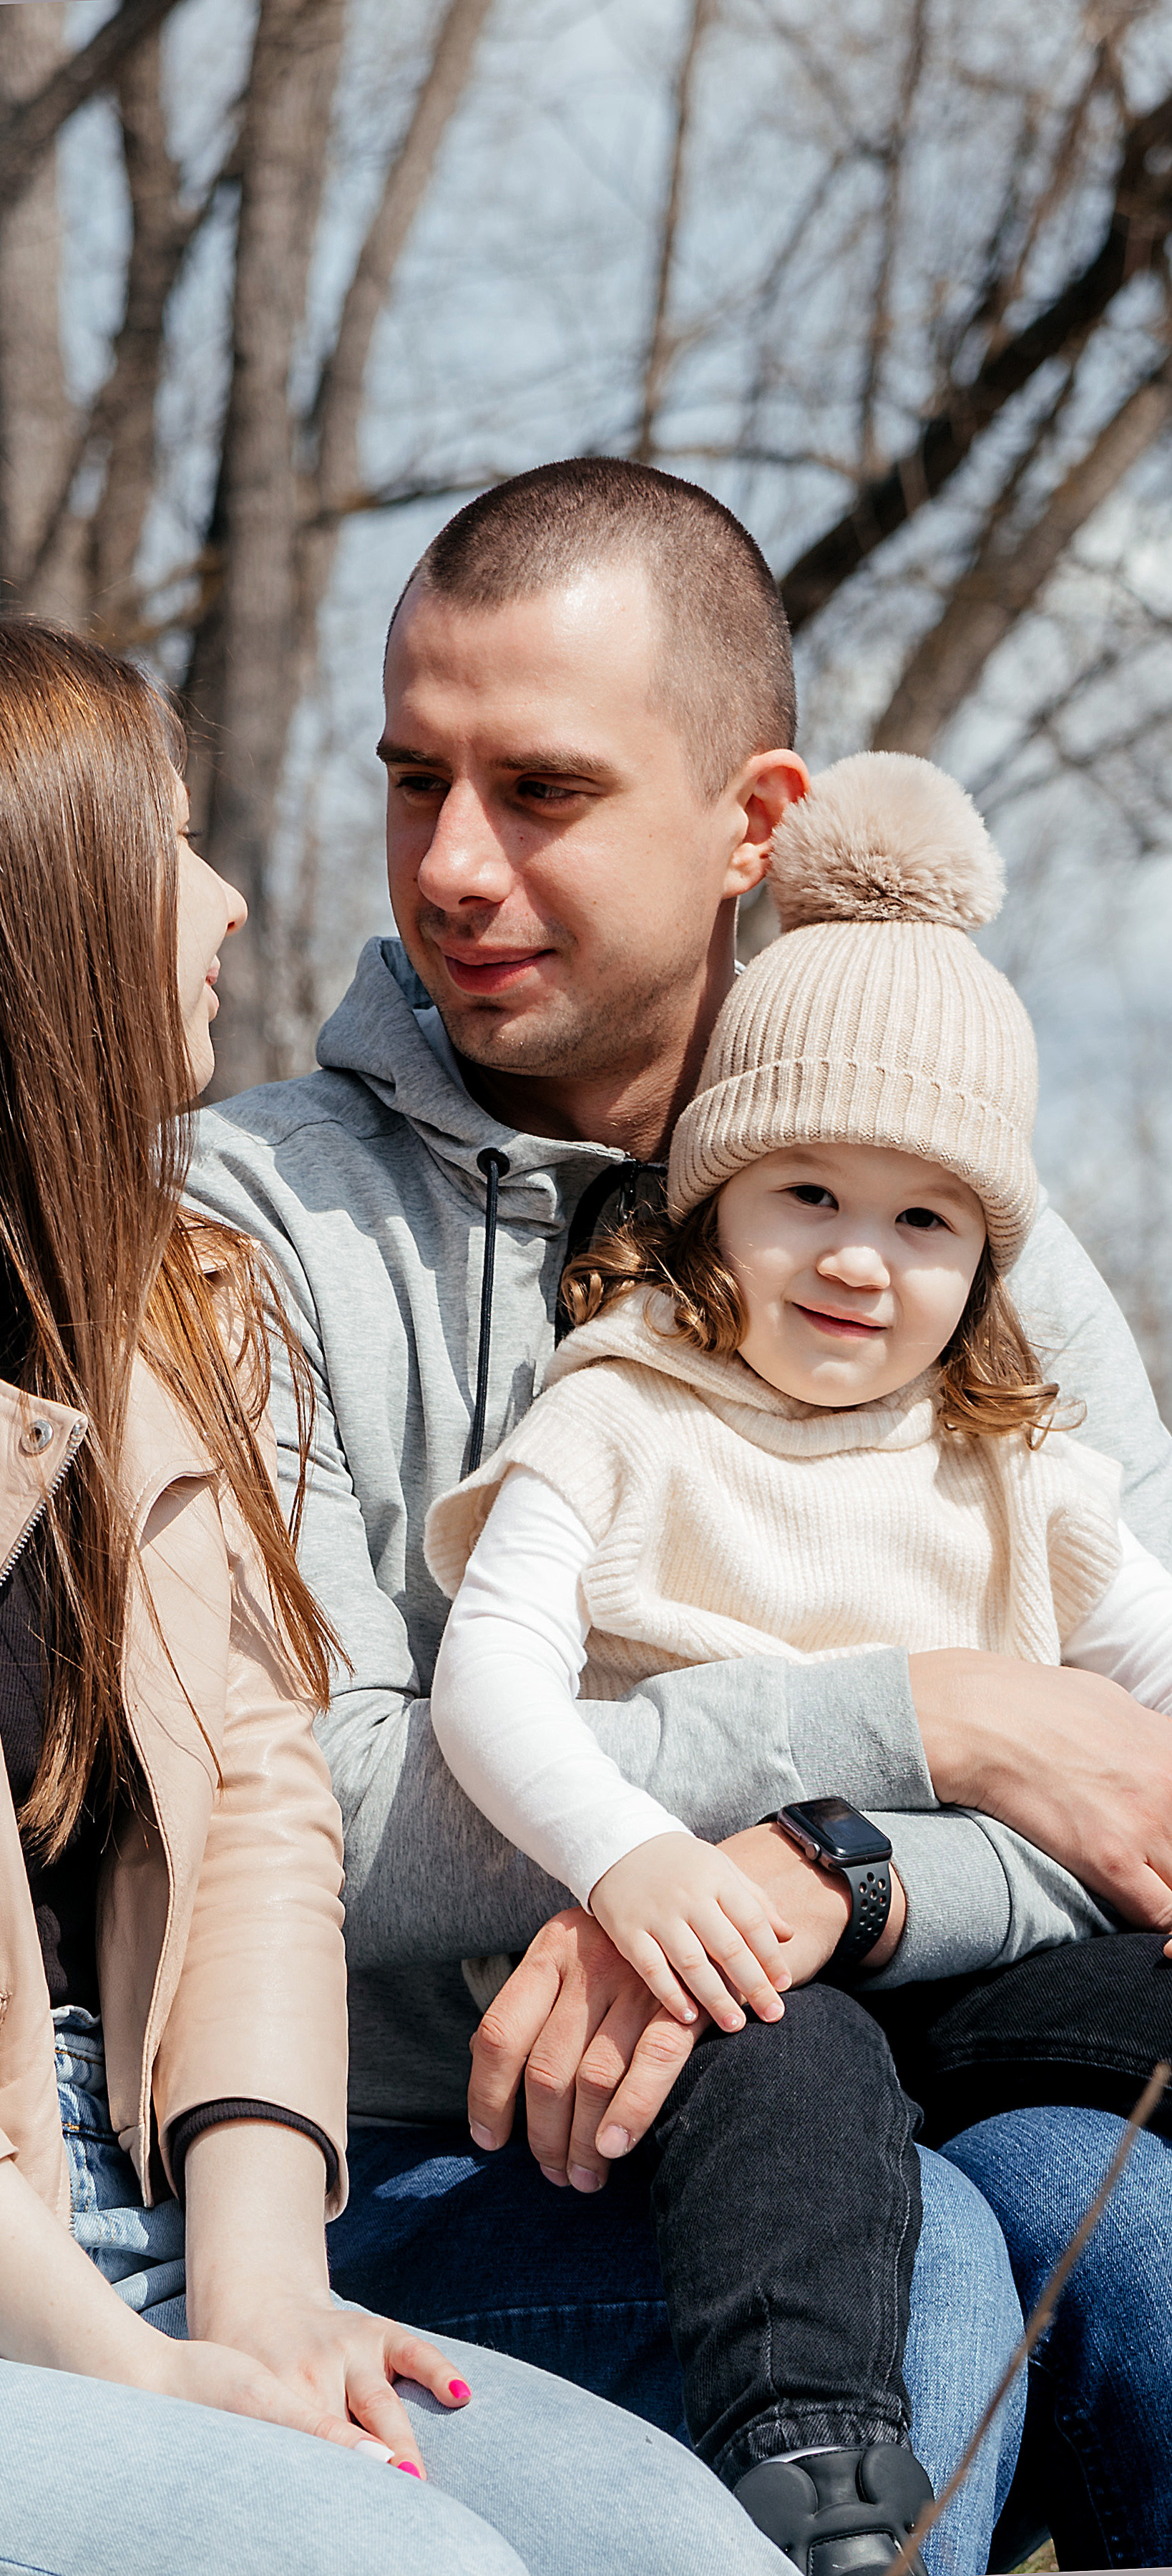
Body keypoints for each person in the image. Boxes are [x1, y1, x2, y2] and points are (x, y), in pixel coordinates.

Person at [0, 616, 789, 2576]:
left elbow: (258, 1805)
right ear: (24, 885)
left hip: (140, 2219)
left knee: (674, 2550)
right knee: (378, 2562)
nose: (233, 903)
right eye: (171, 839)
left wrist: (255, 2296)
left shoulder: (172, 1290)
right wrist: (108, 2366)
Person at [189, 458, 1172, 2571]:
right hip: (443, 2164)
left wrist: (834, 1875)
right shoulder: (250, 1220)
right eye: (410, 779)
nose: (452, 864)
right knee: (906, 2306)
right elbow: (322, 1816)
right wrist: (928, 1716)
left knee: (1150, 2247)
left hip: (933, 2071)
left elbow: (1138, 1786)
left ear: (756, 818)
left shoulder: (956, 1213)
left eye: (539, 789)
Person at [425, 746, 1172, 2562]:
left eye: (922, 1220)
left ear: (984, 1255)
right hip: (726, 1971)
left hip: (970, 1961)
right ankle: (823, 2470)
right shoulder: (625, 1416)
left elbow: (1144, 1727)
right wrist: (627, 1856)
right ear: (709, 1205)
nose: (859, 1261)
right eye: (805, 1197)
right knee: (794, 2079)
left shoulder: (1024, 1467)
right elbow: (490, 1680)